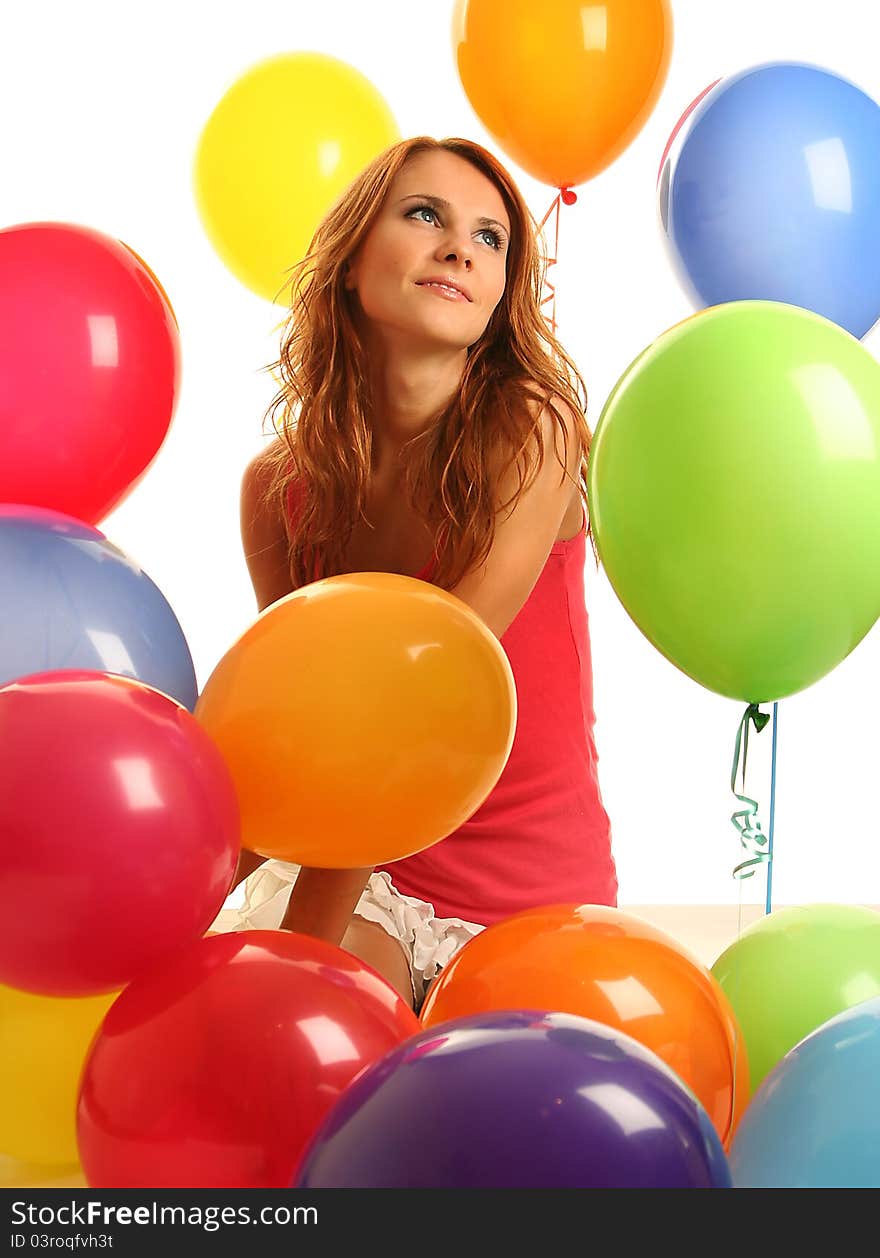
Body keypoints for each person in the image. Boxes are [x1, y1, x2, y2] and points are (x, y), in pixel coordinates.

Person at [212, 136, 617, 1010]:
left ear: (503, 290)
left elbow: (422, 702)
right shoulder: (275, 491)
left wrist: (296, 960)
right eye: (425, 215)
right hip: (372, 877)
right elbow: (303, 736)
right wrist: (192, 909)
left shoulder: (533, 430)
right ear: (353, 261)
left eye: (491, 237)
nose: (460, 248)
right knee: (315, 1035)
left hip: (531, 899)